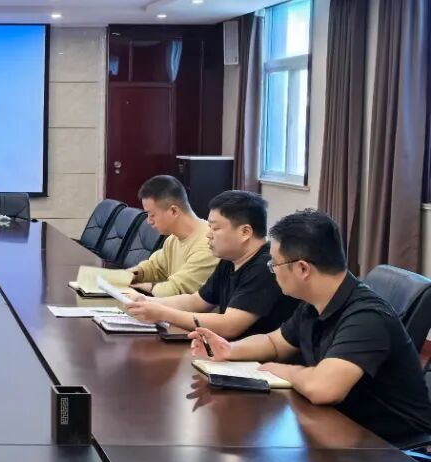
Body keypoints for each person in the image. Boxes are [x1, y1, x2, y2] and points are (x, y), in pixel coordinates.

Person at [189, 210, 431, 446]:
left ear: (303, 268)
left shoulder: (367, 317)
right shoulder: (314, 304)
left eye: (274, 264)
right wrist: (229, 349)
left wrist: (284, 371)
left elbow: (323, 388)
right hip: (339, 429)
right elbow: (275, 343)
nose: (272, 271)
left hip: (390, 450)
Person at [126, 190, 299, 338]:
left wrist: (163, 313)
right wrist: (148, 302)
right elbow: (197, 301)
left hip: (259, 361)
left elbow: (229, 325)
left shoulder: (267, 267)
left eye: (215, 228)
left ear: (245, 232)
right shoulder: (230, 259)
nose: (208, 234)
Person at [129, 175, 218, 296]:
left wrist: (141, 286)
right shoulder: (173, 239)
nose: (149, 221)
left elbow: (174, 290)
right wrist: (128, 275)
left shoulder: (209, 244)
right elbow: (154, 267)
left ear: (173, 211)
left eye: (152, 215)